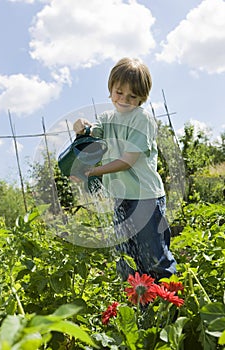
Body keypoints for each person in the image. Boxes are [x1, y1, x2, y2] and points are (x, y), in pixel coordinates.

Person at [73, 57, 176, 281]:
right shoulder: (107, 119)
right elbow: (91, 132)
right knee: (127, 260)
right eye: (119, 92)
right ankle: (140, 310)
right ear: (111, 89)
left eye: (132, 96)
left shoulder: (142, 120)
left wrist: (93, 172)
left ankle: (168, 306)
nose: (124, 99)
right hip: (121, 198)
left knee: (154, 256)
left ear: (142, 98)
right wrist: (80, 125)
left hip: (146, 198)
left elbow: (127, 160)